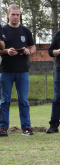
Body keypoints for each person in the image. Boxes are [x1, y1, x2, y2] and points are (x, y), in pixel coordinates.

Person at [0, 4, 36, 137]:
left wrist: (28, 51)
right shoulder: (2, 30)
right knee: (4, 100)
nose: (15, 17)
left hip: (22, 71)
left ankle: (26, 128)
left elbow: (33, 47)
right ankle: (3, 127)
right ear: (8, 15)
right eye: (13, 14)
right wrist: (6, 51)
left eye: (18, 15)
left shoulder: (25, 31)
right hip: (6, 71)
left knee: (24, 100)